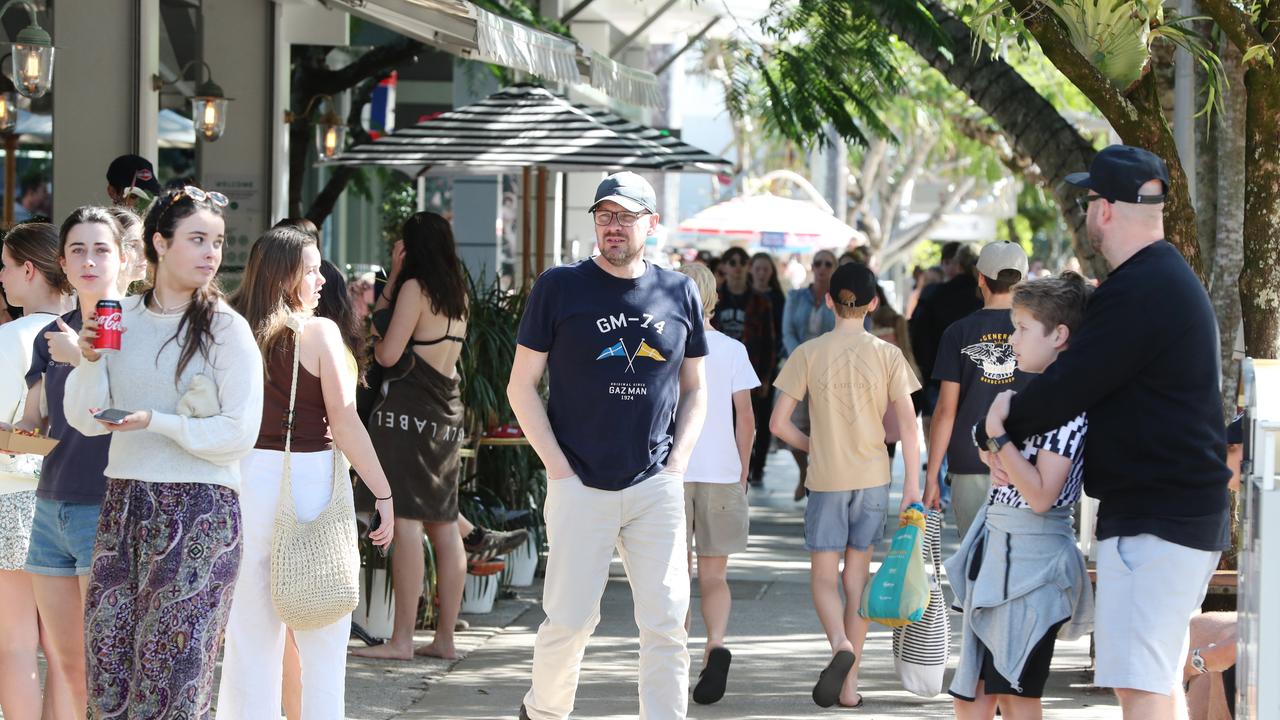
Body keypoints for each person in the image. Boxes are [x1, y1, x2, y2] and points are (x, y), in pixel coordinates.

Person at [980, 145, 1231, 720]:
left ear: (1108, 209)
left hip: (1158, 520)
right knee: (1151, 679)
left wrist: (994, 427)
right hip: (1169, 514)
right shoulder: (1155, 281)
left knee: (1140, 685)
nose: (1087, 210)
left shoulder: (1141, 287)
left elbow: (1070, 384)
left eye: (1089, 198)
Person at [508, 171, 707, 720]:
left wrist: (677, 466)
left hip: (654, 485)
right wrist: (559, 471)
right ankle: (544, 712)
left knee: (666, 621)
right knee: (570, 620)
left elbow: (696, 390)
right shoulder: (559, 286)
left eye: (624, 216)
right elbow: (520, 386)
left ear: (651, 222)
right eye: (604, 216)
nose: (612, 227)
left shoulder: (679, 291)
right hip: (579, 483)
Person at [63, 186, 264, 718]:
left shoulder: (227, 328)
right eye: (197, 239)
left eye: (217, 242)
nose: (211, 253)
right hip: (124, 503)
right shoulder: (117, 317)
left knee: (171, 681)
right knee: (108, 676)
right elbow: (85, 419)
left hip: (201, 513)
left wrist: (158, 422)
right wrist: (86, 360)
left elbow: (239, 433)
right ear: (158, 242)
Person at [217, 226, 395, 719]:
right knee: (322, 631)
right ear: (284, 276)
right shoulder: (317, 333)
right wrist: (383, 492)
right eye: (312, 270)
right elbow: (344, 419)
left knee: (249, 635)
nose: (321, 280)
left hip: (243, 476)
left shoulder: (230, 326)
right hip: (309, 477)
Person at [770, 262, 921, 709]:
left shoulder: (808, 353)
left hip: (826, 480)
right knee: (857, 581)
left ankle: (839, 644)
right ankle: (850, 687)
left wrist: (812, 445)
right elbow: (911, 430)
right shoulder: (889, 354)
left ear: (828, 300)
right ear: (875, 303)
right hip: (873, 480)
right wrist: (913, 484)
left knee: (822, 578)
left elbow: (778, 424)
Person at [948, 272, 1095, 719]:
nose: (1012, 340)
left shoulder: (1067, 403)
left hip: (1033, 566)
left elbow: (1041, 495)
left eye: (1023, 329)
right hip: (1000, 554)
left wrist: (996, 436)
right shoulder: (1044, 393)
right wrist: (993, 444)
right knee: (973, 691)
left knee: (1014, 695)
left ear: (1059, 335)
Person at [19, 209, 142, 720]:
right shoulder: (54, 332)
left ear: (125, 258)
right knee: (68, 665)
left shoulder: (136, 324)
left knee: (109, 664)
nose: (89, 261)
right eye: (77, 250)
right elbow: (33, 418)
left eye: (100, 249)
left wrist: (80, 356)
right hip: (51, 504)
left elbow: (123, 408)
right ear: (62, 263)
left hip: (108, 504)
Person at [351, 211, 470, 662]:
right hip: (447, 410)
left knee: (404, 520)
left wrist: (395, 279)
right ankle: (445, 639)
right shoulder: (456, 294)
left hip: (408, 413)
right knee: (443, 521)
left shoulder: (416, 291)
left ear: (411, 248)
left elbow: (388, 351)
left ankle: (401, 640)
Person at [0, 222, 72, 719]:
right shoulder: (80, 340)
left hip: (10, 497)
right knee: (67, 650)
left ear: (28, 269)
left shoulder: (9, 339)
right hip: (71, 500)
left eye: (5, 267)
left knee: (16, 643)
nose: (1, 278)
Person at [677, 262, 757, 706]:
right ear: (713, 298)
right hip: (722, 474)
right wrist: (742, 470)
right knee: (714, 575)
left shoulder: (667, 346)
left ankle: (676, 660)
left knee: (675, 576)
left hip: (673, 473)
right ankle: (716, 644)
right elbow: (746, 419)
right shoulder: (731, 349)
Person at [922, 242, 1029, 538]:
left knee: (975, 561)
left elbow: (945, 411)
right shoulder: (1039, 331)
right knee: (1018, 562)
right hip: (1025, 462)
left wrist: (932, 477)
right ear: (1024, 280)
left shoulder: (958, 333)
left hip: (969, 459)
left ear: (980, 278)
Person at [712, 247, 776, 487]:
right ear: (725, 267)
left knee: (753, 421)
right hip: (718, 372)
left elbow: (770, 342)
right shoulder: (715, 298)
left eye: (741, 262)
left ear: (747, 266)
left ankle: (752, 468)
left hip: (752, 371)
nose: (737, 266)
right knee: (724, 420)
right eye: (732, 261)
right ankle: (729, 465)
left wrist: (767, 377)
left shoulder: (760, 302)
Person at [780, 249, 836, 500]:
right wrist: (802, 359)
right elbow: (788, 331)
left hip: (831, 369)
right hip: (799, 365)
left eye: (828, 264)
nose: (822, 268)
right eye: (818, 263)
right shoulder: (796, 296)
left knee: (825, 425)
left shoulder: (840, 299)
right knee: (793, 423)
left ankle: (822, 474)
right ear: (812, 267)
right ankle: (804, 470)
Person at [869, 284, 921, 459]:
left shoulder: (871, 345)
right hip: (894, 418)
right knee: (887, 459)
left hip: (871, 416)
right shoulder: (900, 347)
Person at [747, 252, 784, 485]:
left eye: (765, 269)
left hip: (767, 365)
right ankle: (746, 463)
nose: (761, 273)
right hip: (744, 363)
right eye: (757, 268)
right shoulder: (745, 297)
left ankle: (758, 465)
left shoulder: (778, 299)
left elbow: (777, 335)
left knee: (764, 418)